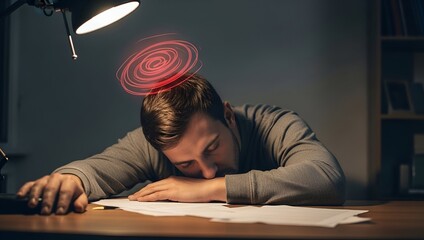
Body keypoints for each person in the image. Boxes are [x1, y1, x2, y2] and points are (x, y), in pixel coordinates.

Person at [17, 73, 345, 215]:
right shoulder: (156, 143)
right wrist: (70, 180)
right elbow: (97, 170)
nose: (206, 170)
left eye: (212, 147)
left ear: (228, 116)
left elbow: (326, 177)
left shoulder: (274, 124)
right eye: (185, 164)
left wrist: (210, 189)